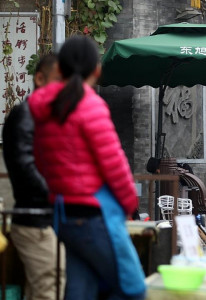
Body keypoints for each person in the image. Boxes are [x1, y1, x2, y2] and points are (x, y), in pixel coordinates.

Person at [28, 36, 145, 300]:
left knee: (82, 291)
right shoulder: (89, 105)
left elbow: (40, 161)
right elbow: (114, 165)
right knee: (132, 289)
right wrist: (129, 205)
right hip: (93, 215)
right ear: (96, 69)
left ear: (61, 69)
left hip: (62, 214)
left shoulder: (42, 107)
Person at [2, 54, 65, 300]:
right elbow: (24, 167)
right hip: (34, 218)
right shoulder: (25, 115)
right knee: (50, 284)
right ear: (39, 78)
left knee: (46, 284)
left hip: (42, 217)